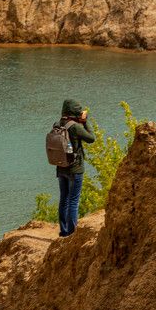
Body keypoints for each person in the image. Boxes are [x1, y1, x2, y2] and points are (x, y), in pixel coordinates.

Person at [56, 98, 95, 237]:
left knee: (64, 199)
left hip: (61, 167)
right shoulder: (75, 127)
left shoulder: (58, 124)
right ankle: (72, 233)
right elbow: (91, 138)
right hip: (75, 169)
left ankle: (64, 231)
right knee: (73, 201)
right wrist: (85, 122)